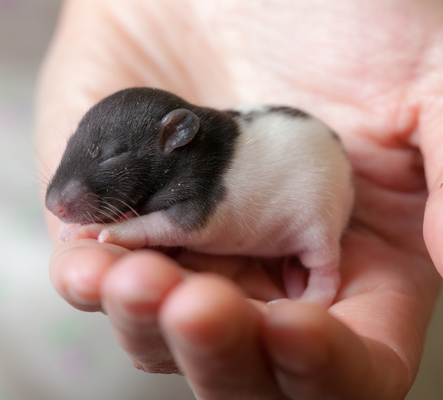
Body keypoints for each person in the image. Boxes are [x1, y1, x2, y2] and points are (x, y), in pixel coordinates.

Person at [37, 0, 443, 398]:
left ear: (175, 137)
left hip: (312, 165)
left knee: (317, 233)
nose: (58, 196)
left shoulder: (203, 174)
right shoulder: (171, 159)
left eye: (110, 158)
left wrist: (120, 233)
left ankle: (324, 276)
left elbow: (191, 222)